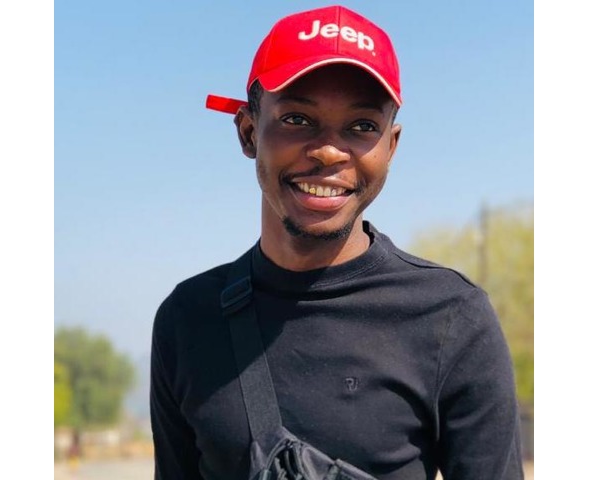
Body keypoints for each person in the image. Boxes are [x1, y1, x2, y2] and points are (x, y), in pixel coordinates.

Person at [150, 5, 524, 480]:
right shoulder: (187, 319)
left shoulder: (452, 317)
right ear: (248, 132)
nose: (329, 151)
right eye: (297, 119)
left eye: (362, 126)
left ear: (391, 146)